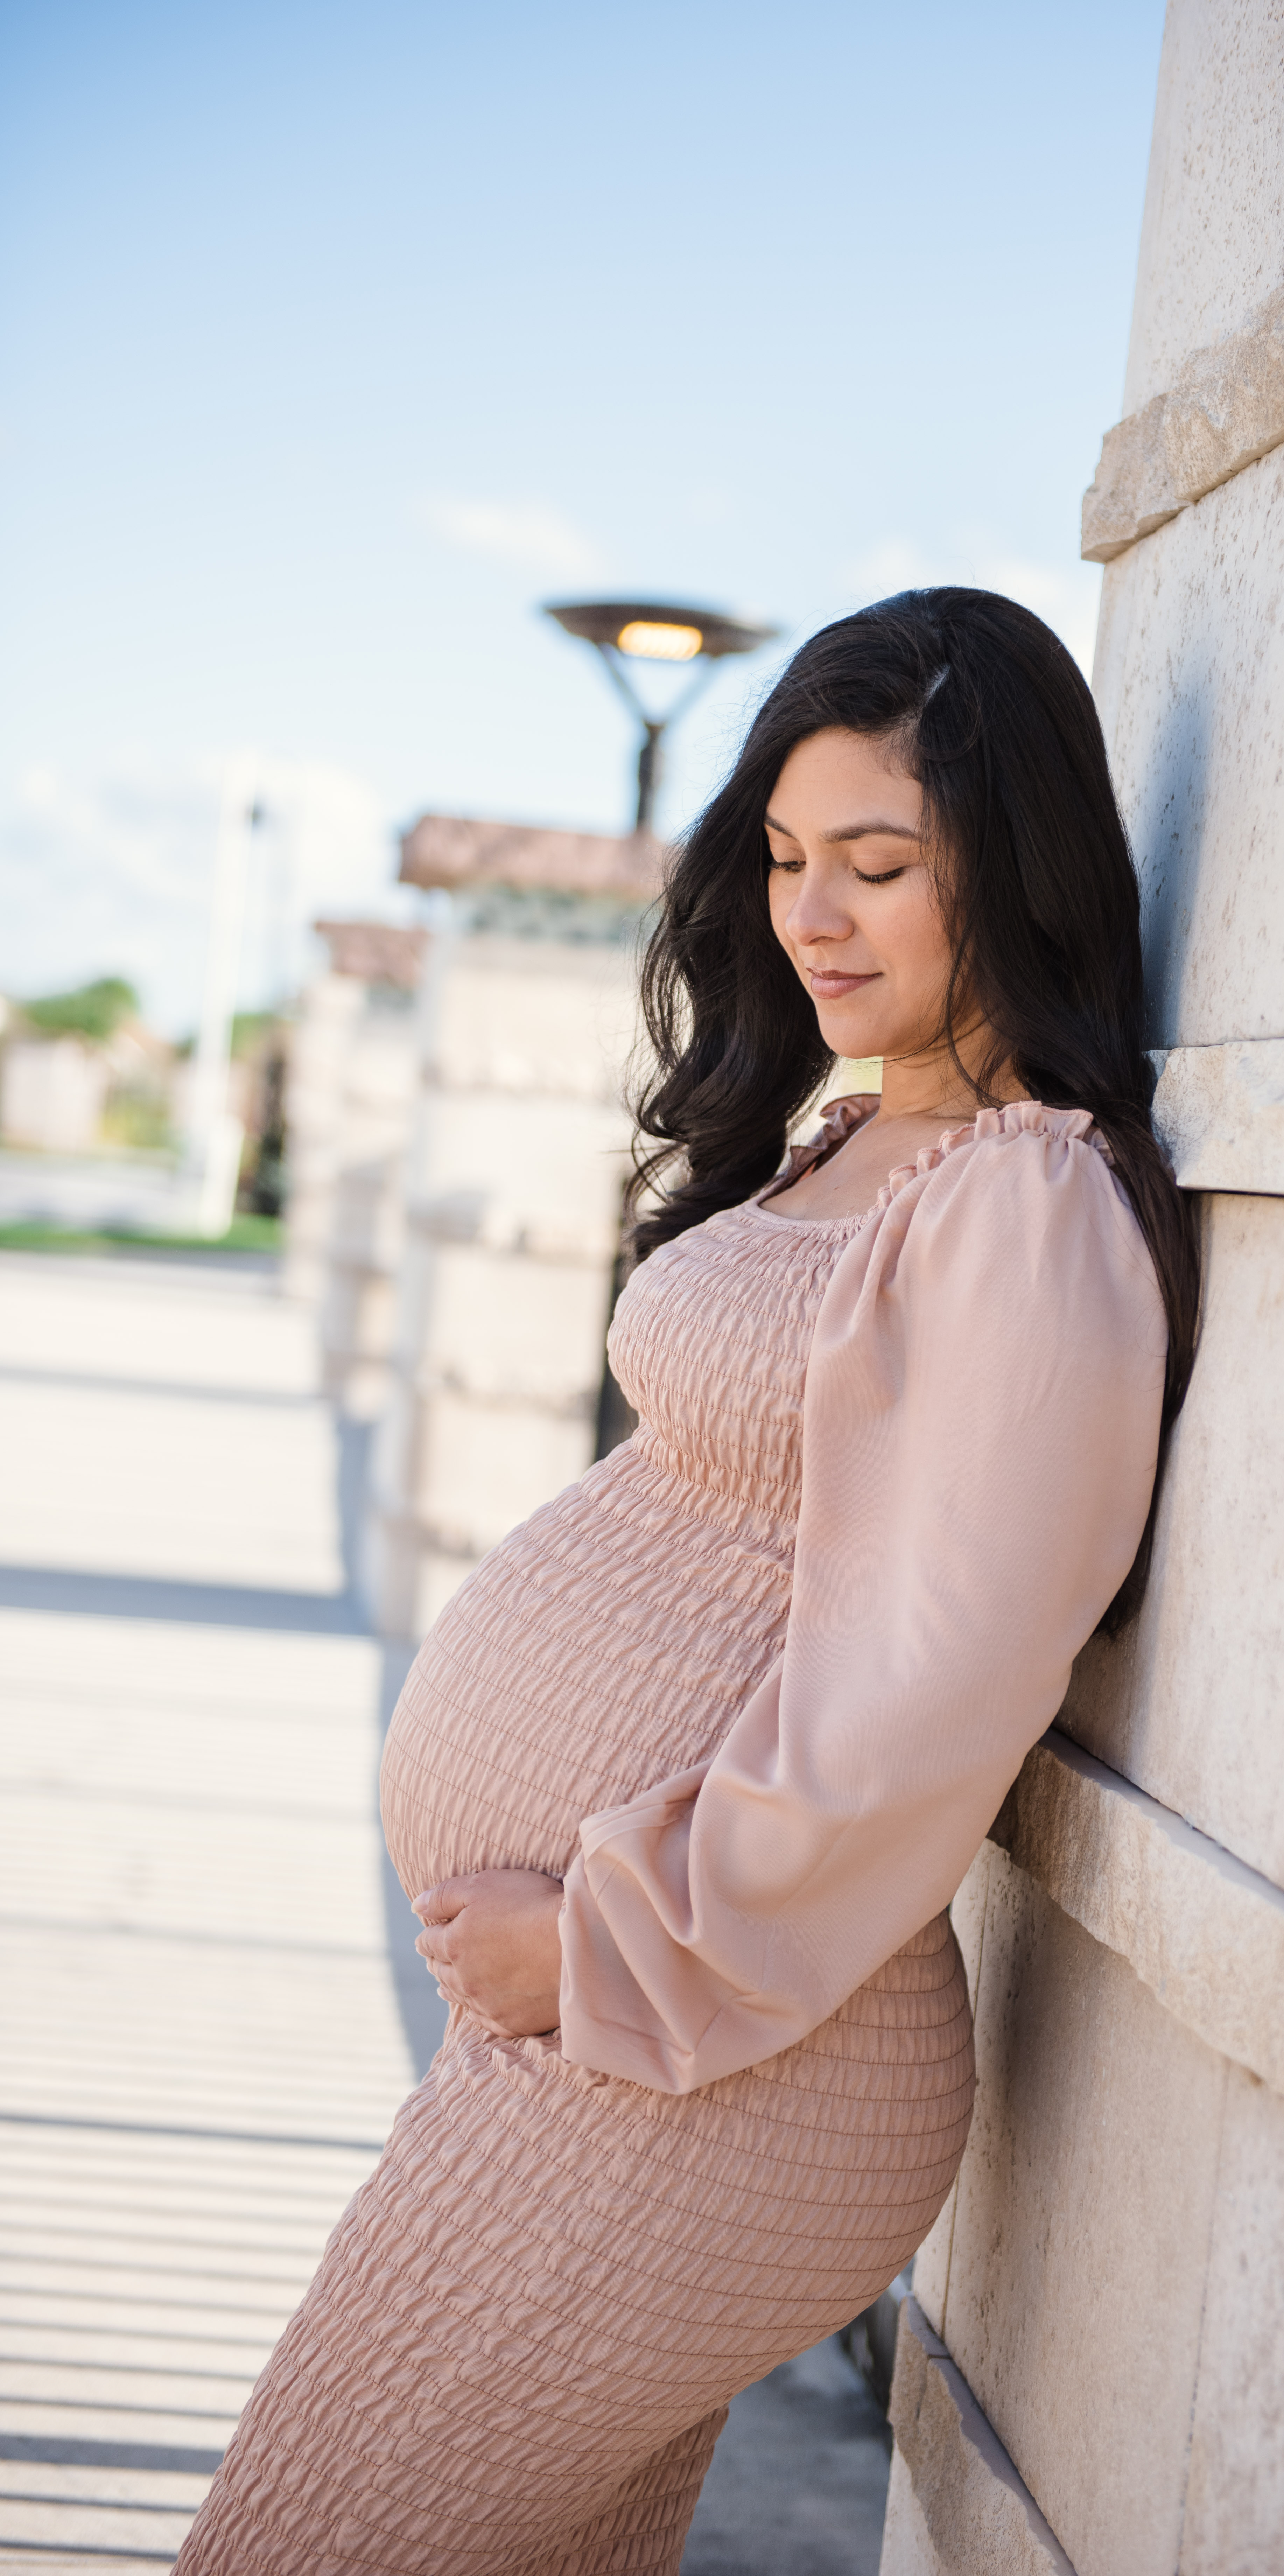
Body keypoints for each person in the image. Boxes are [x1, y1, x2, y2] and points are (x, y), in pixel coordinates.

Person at [177, 587, 1199, 2575]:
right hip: (626, 2048)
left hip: (708, 2049)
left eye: (883, 868)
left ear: (1027, 870)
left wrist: (605, 1949)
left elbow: (921, 1707)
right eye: (791, 861)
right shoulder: (857, 1139)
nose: (816, 915)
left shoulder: (1028, 1209)